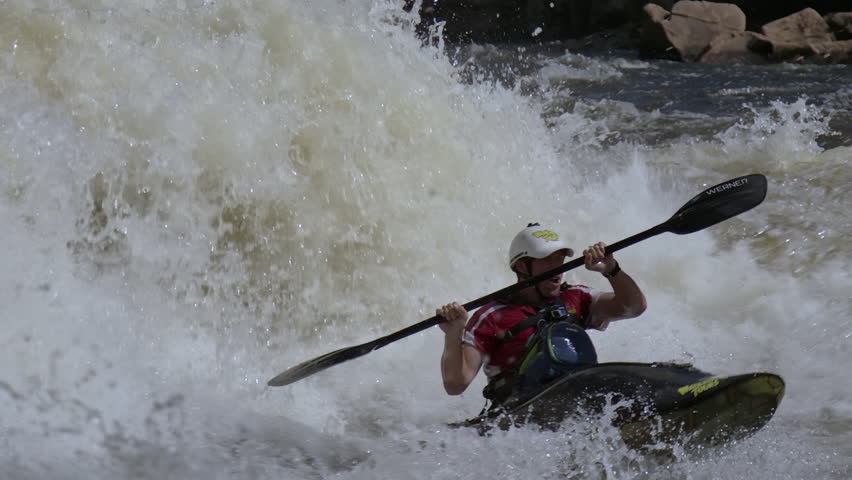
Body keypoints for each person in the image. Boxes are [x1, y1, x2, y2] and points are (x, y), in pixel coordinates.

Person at [437, 223, 647, 407]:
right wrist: (453, 333)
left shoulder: (577, 297)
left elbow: (634, 307)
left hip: (577, 397)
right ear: (521, 266)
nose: (557, 269)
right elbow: (456, 384)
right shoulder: (491, 317)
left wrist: (611, 269)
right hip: (520, 410)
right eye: (547, 261)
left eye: (560, 260)